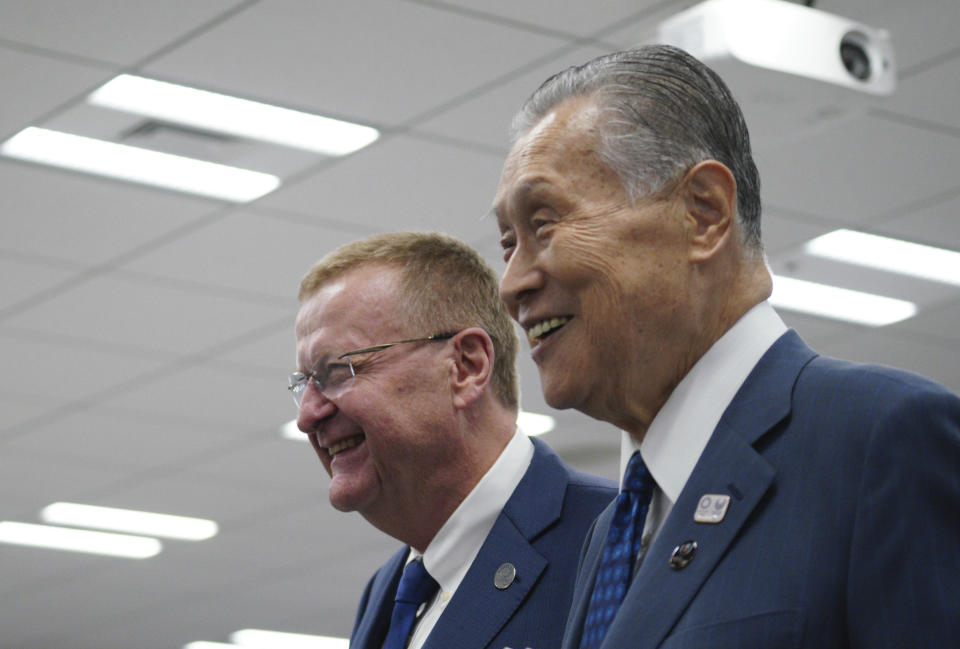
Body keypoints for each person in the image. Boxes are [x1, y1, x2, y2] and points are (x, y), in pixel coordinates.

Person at [492, 44, 960, 649]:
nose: (512, 283)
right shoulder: (613, 532)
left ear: (703, 213)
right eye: (508, 244)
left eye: (544, 225)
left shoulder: (880, 439)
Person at [291, 232, 616, 649]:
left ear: (465, 366)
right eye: (305, 383)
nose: (306, 416)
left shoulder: (615, 539)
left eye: (336, 371)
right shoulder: (386, 594)